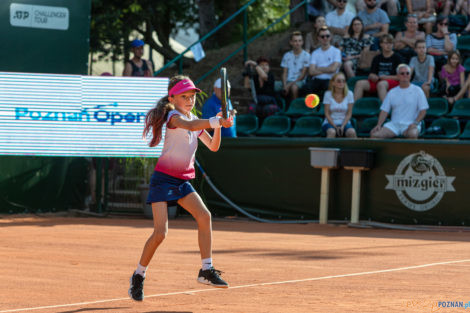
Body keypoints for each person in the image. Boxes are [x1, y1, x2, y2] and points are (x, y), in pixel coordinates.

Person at [129, 75, 234, 302]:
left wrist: (217, 124)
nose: (189, 100)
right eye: (184, 97)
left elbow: (213, 146)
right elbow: (190, 125)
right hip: (163, 179)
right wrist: (216, 122)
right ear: (172, 98)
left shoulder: (194, 118)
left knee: (204, 216)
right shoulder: (173, 117)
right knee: (160, 234)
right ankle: (138, 275)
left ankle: (206, 270)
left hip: (182, 181)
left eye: (192, 96)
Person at [371, 64, 428, 139]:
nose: (405, 75)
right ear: (398, 76)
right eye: (402, 73)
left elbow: (423, 110)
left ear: (410, 76)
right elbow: (384, 110)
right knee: (375, 135)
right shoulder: (392, 92)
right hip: (394, 125)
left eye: (407, 73)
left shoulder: (418, 90)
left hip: (411, 124)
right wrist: (379, 125)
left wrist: (415, 123)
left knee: (412, 134)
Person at [354, 34, 402, 102]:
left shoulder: (398, 57)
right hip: (379, 80)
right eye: (386, 43)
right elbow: (371, 74)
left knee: (381, 84)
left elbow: (401, 76)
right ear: (381, 44)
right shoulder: (377, 58)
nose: (388, 45)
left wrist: (385, 78)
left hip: (392, 82)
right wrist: (373, 76)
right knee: (359, 83)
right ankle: (353, 109)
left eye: (390, 43)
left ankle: (385, 110)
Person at [303, 26, 342, 99]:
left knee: (328, 87)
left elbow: (333, 69)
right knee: (306, 87)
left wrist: (318, 68)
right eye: (322, 36)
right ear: (318, 38)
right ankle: (312, 109)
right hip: (316, 80)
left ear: (330, 37)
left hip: (330, 80)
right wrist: (328, 68)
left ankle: (324, 109)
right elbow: (311, 72)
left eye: (327, 36)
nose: (325, 38)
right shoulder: (315, 53)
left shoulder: (336, 52)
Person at [322, 72, 357, 138]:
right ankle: (328, 148)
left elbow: (349, 113)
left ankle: (355, 148)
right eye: (338, 81)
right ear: (333, 83)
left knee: (352, 132)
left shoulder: (350, 94)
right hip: (330, 122)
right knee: (332, 132)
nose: (341, 83)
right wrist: (335, 126)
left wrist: (343, 125)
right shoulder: (327, 94)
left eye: (343, 81)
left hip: (345, 122)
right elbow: (327, 114)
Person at [281, 31, 311, 102]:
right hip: (288, 80)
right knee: (274, 85)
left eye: (299, 41)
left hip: (300, 81)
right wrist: (285, 85)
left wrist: (288, 85)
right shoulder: (287, 55)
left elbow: (302, 76)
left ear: (302, 42)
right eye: (295, 41)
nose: (297, 43)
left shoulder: (306, 55)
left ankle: (295, 108)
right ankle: (279, 108)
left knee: (294, 87)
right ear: (291, 42)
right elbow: (284, 73)